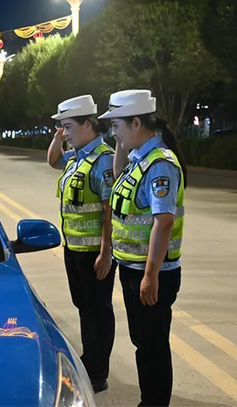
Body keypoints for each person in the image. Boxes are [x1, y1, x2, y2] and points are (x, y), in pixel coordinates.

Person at [98, 89, 186, 407]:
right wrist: (122, 143)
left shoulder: (160, 164)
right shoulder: (141, 160)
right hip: (134, 268)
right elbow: (119, 177)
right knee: (143, 343)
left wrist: (150, 276)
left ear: (136, 123)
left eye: (117, 126)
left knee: (152, 346)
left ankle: (154, 402)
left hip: (152, 273)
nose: (113, 133)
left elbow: (164, 222)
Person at [47, 95, 116, 394]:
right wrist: (58, 137)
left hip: (94, 253)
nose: (65, 133)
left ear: (87, 124)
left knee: (98, 311)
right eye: (63, 127)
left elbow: (108, 211)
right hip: (74, 248)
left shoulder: (103, 159)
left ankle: (98, 372)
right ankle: (90, 361)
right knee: (84, 308)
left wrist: (106, 253)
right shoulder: (77, 157)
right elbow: (53, 160)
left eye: (69, 127)